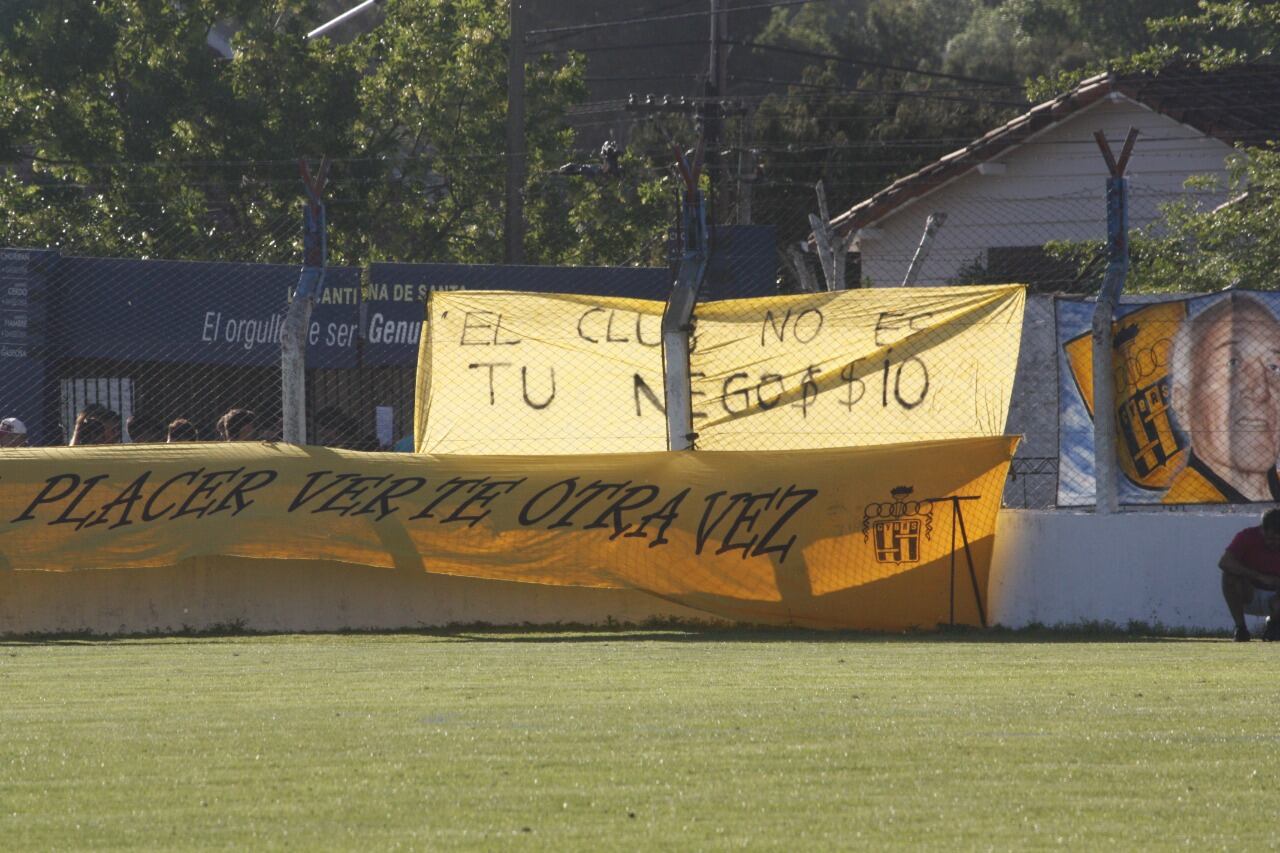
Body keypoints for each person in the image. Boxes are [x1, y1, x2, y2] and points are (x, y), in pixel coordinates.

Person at [1165, 294, 1280, 503]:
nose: (1261, 390)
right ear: (1182, 402)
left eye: (1274, 367)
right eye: (1232, 363)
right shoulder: (1183, 513)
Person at [1220, 508, 1280, 641]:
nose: (1274, 543)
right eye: (1270, 538)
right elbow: (1225, 562)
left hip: (1276, 597)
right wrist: (1259, 576)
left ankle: (1274, 625)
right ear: (1262, 529)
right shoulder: (1247, 537)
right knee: (1229, 577)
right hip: (1249, 593)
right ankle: (1241, 628)